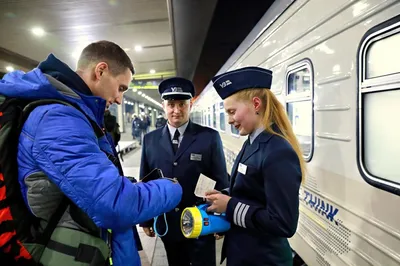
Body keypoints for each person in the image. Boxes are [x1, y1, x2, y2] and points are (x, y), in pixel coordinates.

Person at [0, 40, 182, 266]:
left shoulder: (74, 114)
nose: (119, 99)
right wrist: (172, 187)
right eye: (121, 87)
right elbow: (113, 204)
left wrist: (122, 185)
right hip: (63, 254)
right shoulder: (59, 119)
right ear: (101, 70)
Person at [205, 66, 305, 266]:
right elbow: (252, 191)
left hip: (264, 259)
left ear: (256, 104)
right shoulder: (252, 141)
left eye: (232, 112)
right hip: (246, 254)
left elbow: (283, 223)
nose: (230, 120)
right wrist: (221, 199)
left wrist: (230, 206)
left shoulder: (277, 151)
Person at [139, 77, 229, 266]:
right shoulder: (150, 140)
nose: (176, 110)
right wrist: (146, 220)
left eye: (182, 104)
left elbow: (221, 179)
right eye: (171, 104)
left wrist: (222, 218)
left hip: (202, 220)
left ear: (190, 105)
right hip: (168, 221)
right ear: (163, 106)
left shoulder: (209, 137)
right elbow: (145, 183)